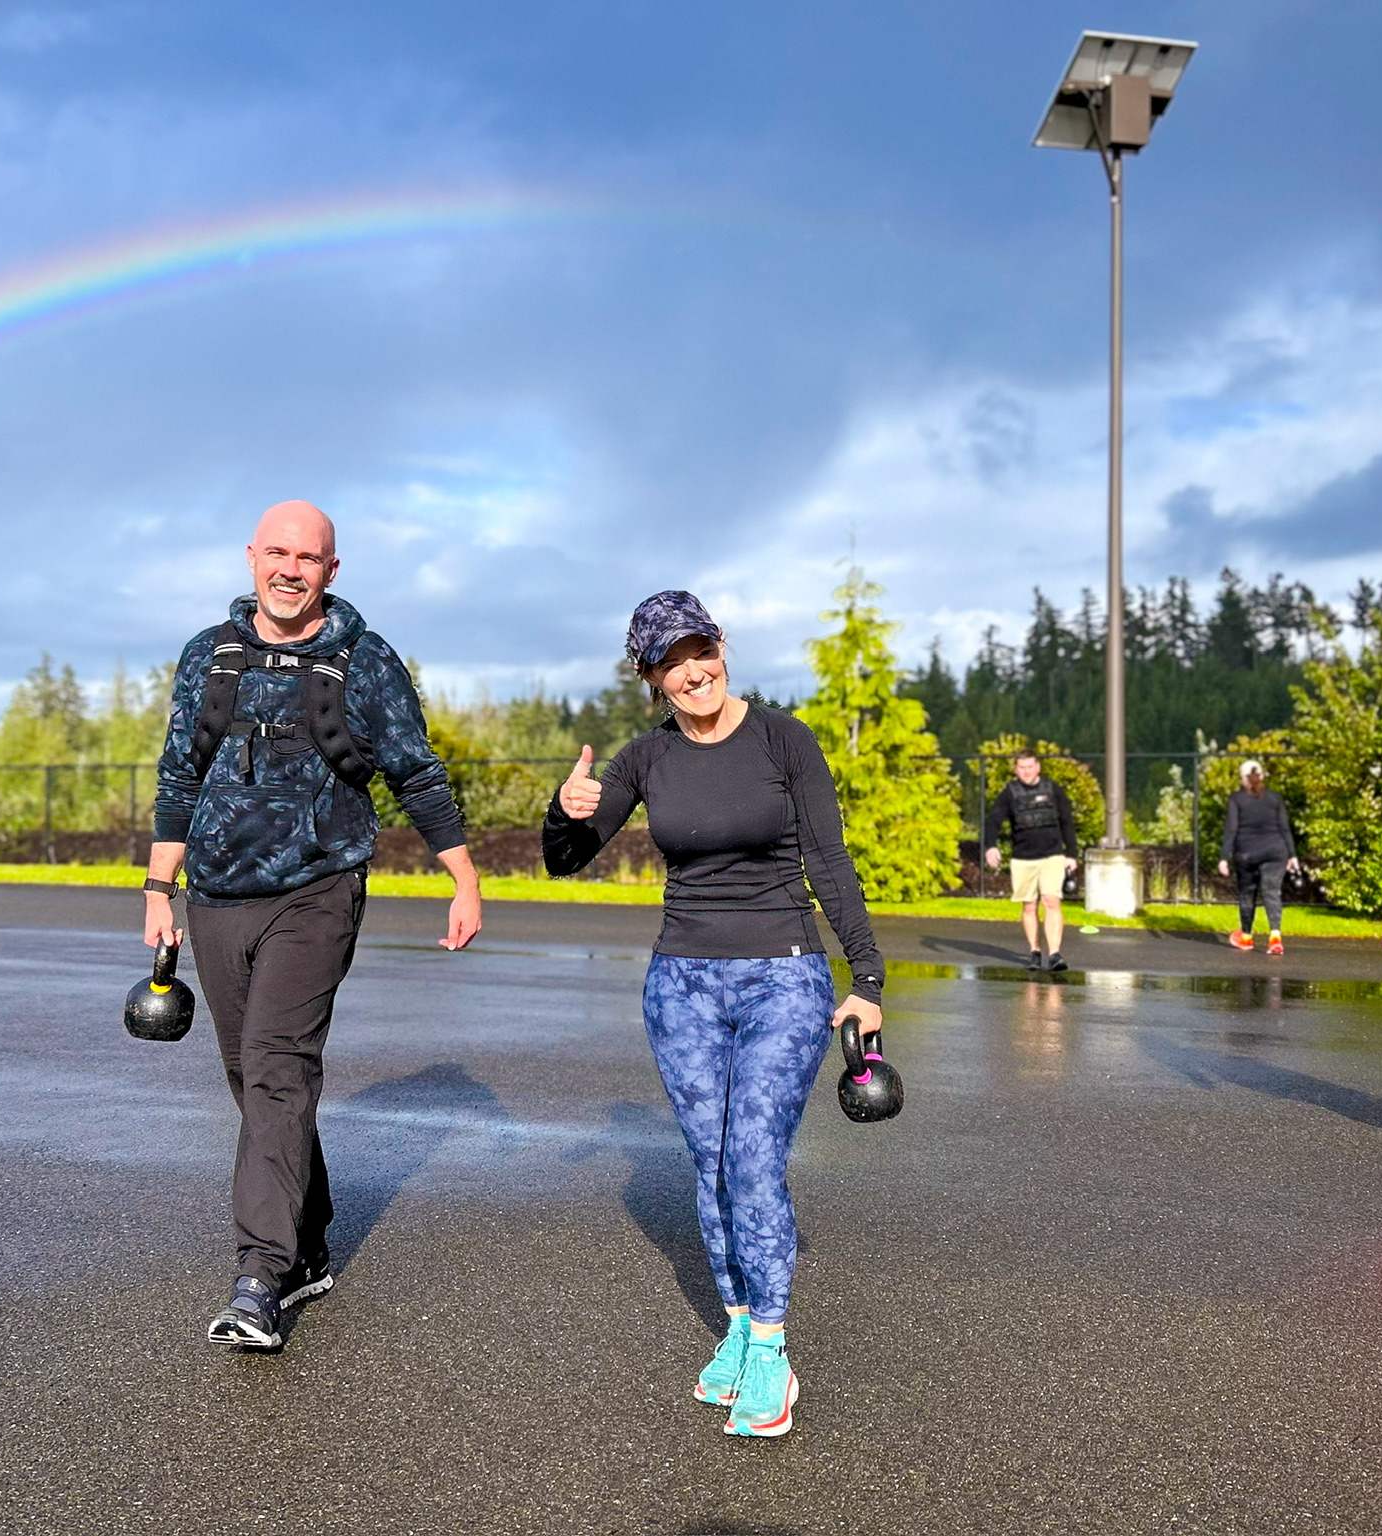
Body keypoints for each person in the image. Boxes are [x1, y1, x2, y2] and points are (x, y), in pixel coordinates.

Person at [542, 590, 886, 1440]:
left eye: (700, 649)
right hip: (682, 985)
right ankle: (736, 1327)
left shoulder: (782, 739)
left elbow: (829, 858)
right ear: (650, 677)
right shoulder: (644, 757)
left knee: (754, 1159)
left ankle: (771, 1346)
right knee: (710, 1160)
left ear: (722, 646)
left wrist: (868, 979)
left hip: (785, 976)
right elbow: (564, 863)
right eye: (670, 660)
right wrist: (566, 808)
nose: (691, 670)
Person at [144, 499, 482, 1350]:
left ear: (333, 571)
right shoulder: (207, 657)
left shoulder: (364, 662)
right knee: (252, 1080)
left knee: (275, 1068)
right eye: (278, 553)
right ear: (252, 557)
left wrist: (463, 878)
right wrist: (158, 885)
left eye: (311, 557)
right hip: (216, 895)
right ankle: (307, 1241)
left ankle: (259, 1275)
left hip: (318, 891)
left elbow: (415, 769)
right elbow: (181, 770)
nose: (292, 569)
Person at [981, 749, 1079, 971]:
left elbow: (1067, 822)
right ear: (1016, 769)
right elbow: (993, 820)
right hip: (1023, 858)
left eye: (1030, 766)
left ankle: (1054, 954)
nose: (1026, 771)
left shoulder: (1052, 789)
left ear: (1038, 767)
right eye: (1021, 767)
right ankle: (1034, 951)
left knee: (1051, 900)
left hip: (1052, 855)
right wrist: (990, 846)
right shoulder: (1010, 792)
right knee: (1029, 905)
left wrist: (1071, 854)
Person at [1218, 759, 1300, 955]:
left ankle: (1246, 938)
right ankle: (1275, 939)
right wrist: (1292, 855)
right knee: (1272, 892)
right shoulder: (1275, 798)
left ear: (1242, 779)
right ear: (1262, 776)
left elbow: (1231, 829)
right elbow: (1284, 828)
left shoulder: (1236, 799)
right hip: (1275, 851)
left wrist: (1224, 857)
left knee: (1247, 893)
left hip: (1246, 854)